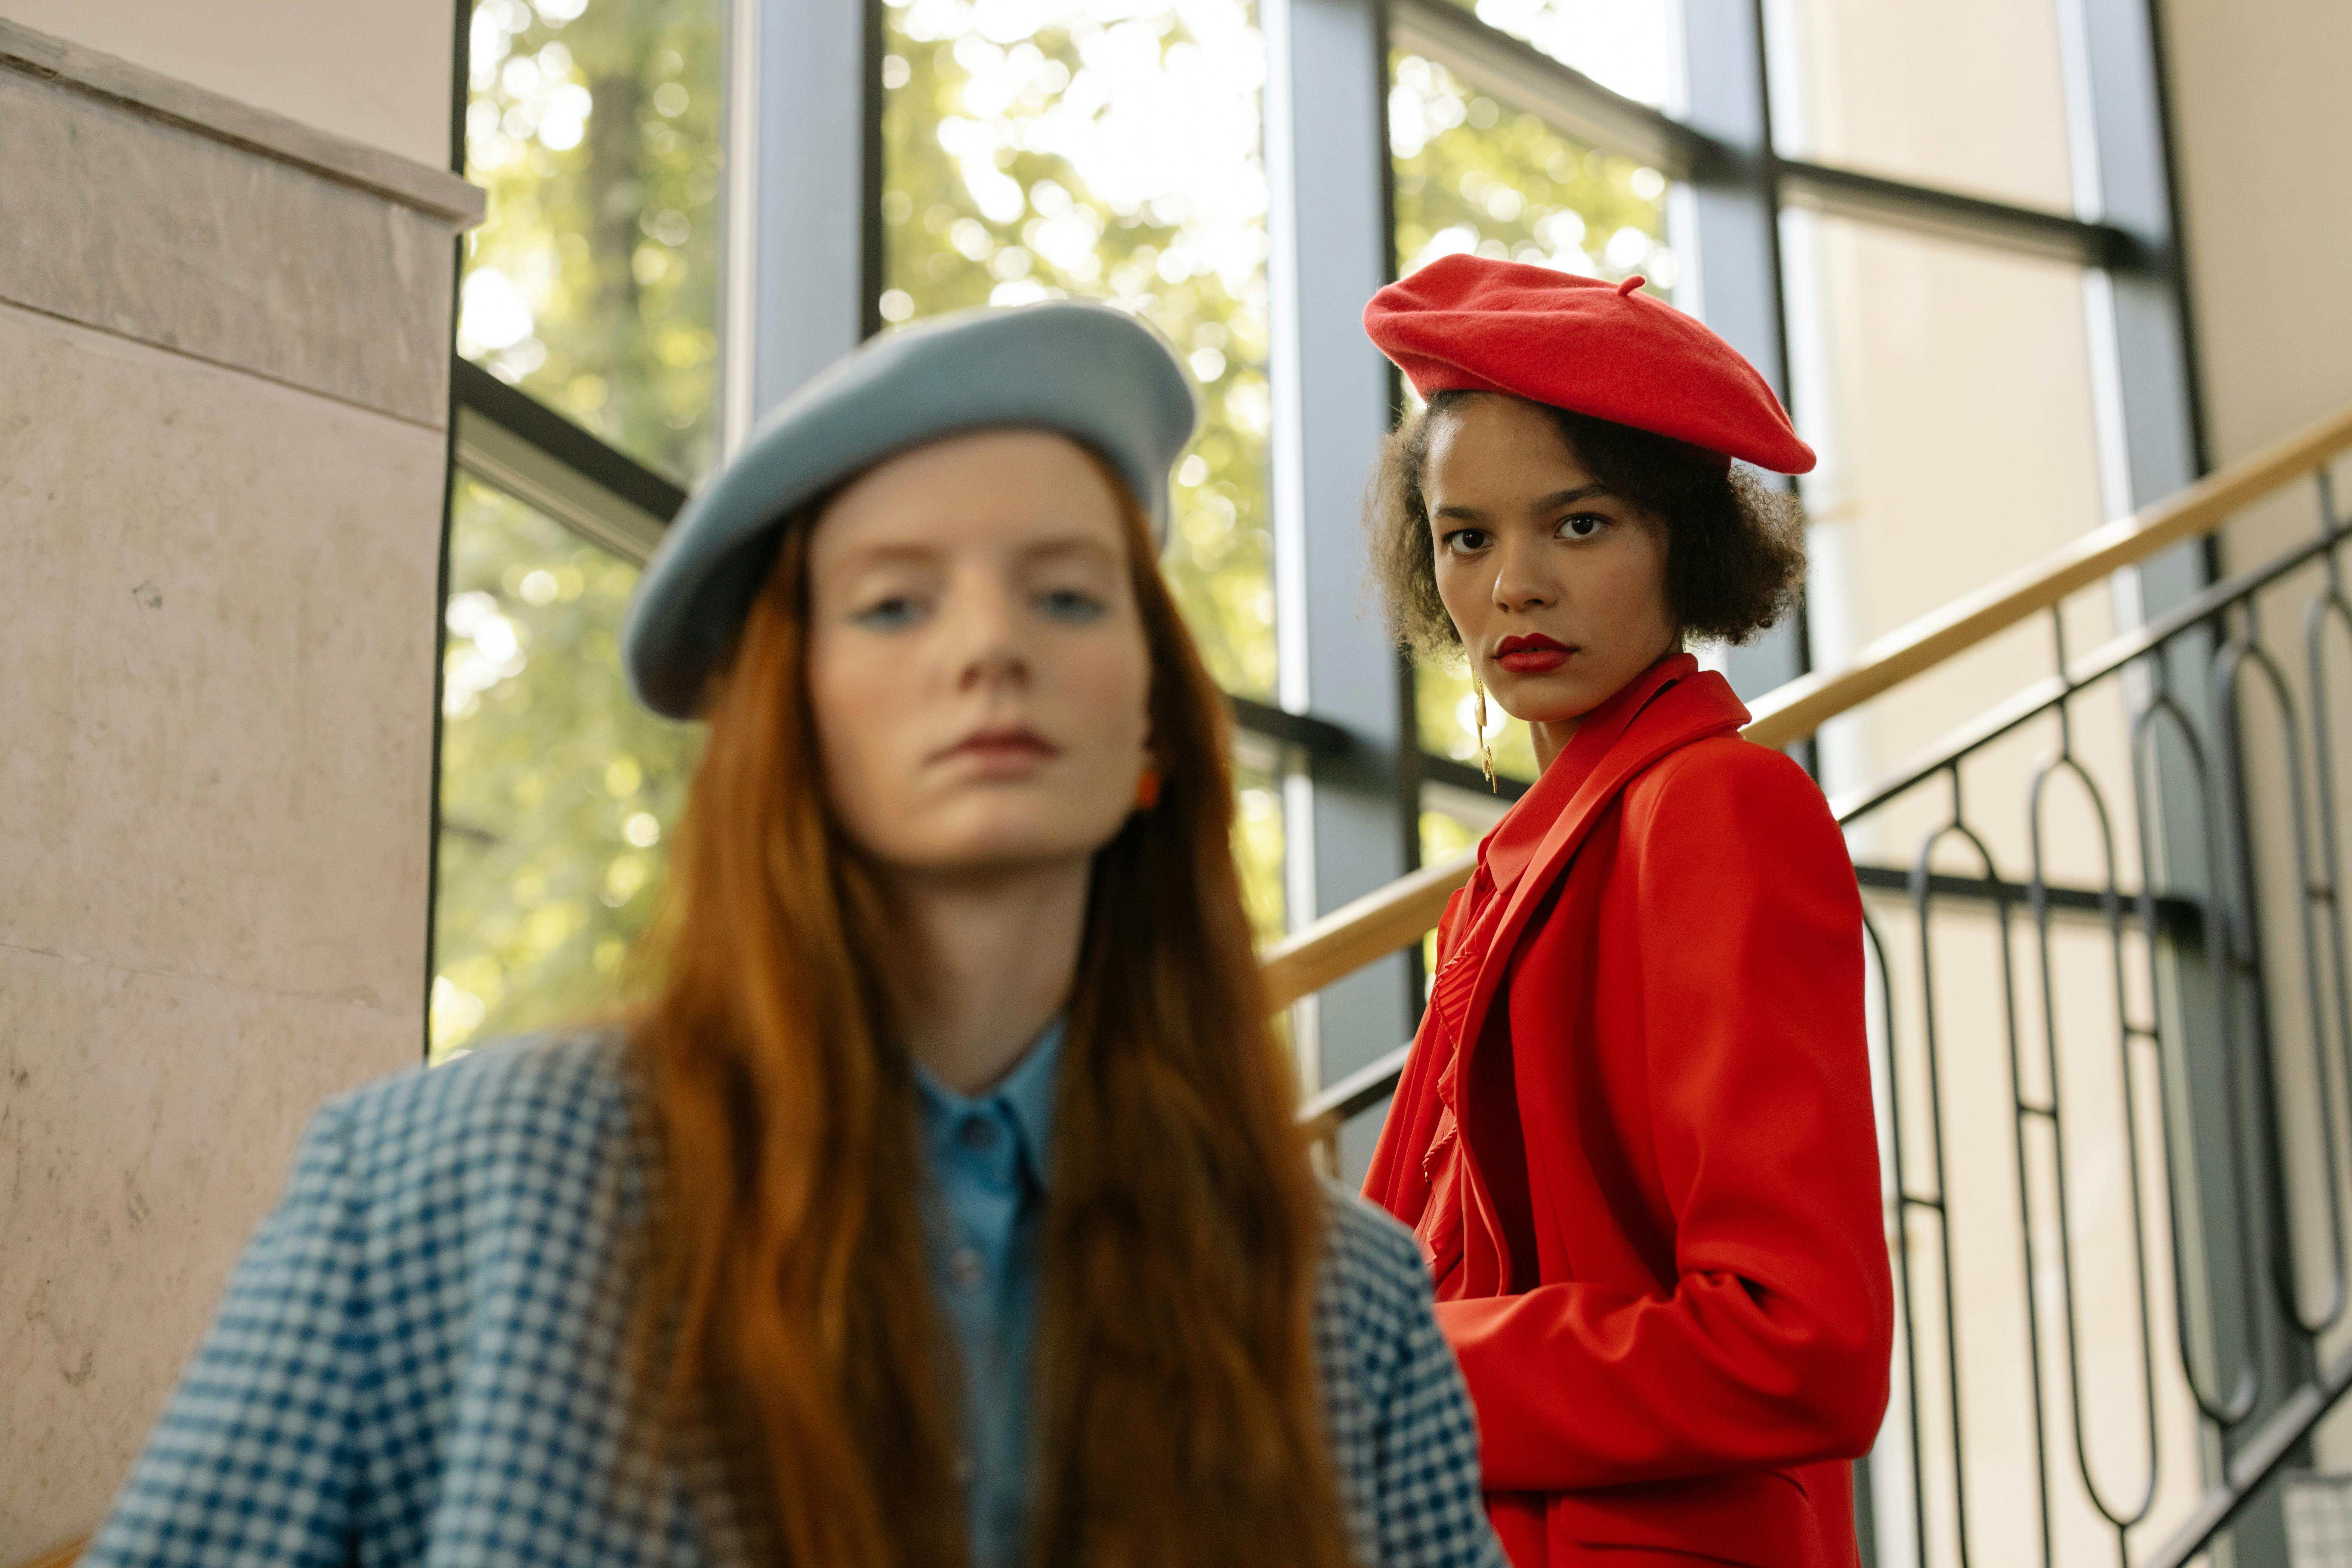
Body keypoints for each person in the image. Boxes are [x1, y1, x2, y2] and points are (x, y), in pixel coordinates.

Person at [83, 302, 1506, 1568]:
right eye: (894, 602)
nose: (989, 646)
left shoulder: (1353, 1308)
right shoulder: (429, 1192)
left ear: (1149, 718)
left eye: (1067, 593)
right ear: (796, 720)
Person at [1356, 255, 1894, 1568]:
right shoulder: (1516, 865)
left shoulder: (1714, 809)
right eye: (1467, 536)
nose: (1513, 587)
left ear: (1685, 544)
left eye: (1579, 524)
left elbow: (1798, 1343)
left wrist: (1377, 1373)